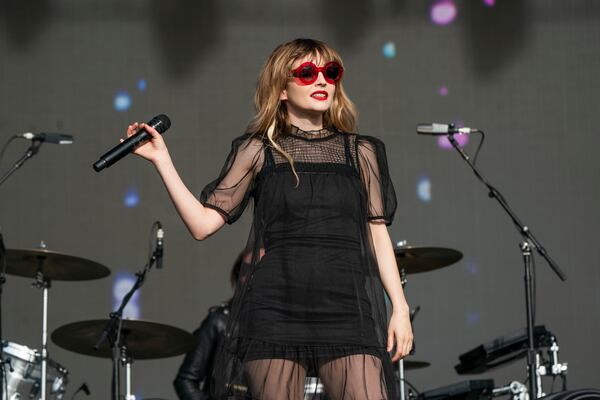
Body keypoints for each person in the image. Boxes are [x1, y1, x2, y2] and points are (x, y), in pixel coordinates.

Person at [125, 38, 413, 400]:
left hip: (344, 307)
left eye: (331, 72)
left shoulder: (361, 152)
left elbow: (377, 232)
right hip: (275, 308)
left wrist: (399, 308)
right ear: (281, 89)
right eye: (307, 73)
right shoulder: (258, 151)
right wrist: (162, 160)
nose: (322, 81)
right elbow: (202, 225)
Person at [173, 253, 243, 400]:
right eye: (248, 271)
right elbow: (185, 380)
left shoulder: (281, 327)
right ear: (238, 276)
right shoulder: (219, 321)